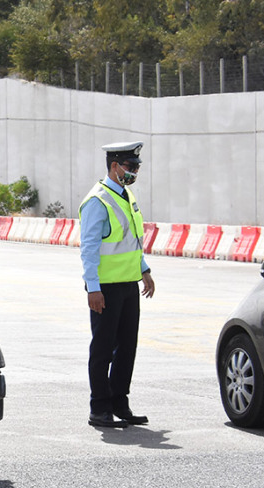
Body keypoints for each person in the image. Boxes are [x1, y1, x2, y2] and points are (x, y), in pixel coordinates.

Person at [79, 141, 155, 429]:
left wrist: (144, 269)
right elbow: (88, 248)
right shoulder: (98, 201)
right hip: (106, 289)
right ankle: (99, 408)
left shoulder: (126, 195)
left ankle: (119, 403)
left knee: (126, 347)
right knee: (102, 348)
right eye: (130, 167)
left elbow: (132, 240)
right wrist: (93, 287)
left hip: (128, 285)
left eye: (136, 167)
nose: (134, 172)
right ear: (114, 166)